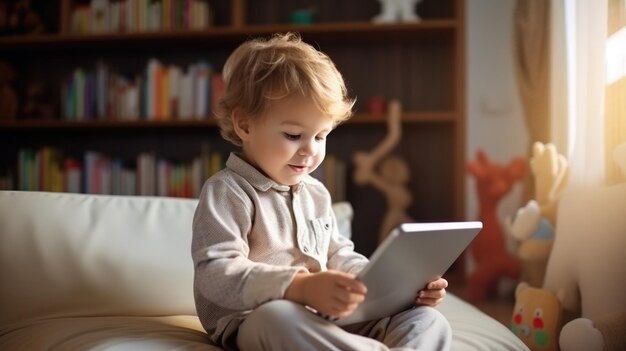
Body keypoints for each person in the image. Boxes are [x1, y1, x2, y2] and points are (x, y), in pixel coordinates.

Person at [191, 32, 452, 351]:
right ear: (245, 125)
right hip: (254, 319)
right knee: (277, 318)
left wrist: (394, 286)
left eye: (321, 136)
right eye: (294, 135)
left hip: (325, 318)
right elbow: (216, 274)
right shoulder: (227, 191)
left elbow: (340, 255)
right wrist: (297, 287)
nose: (309, 151)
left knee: (428, 320)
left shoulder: (316, 194)